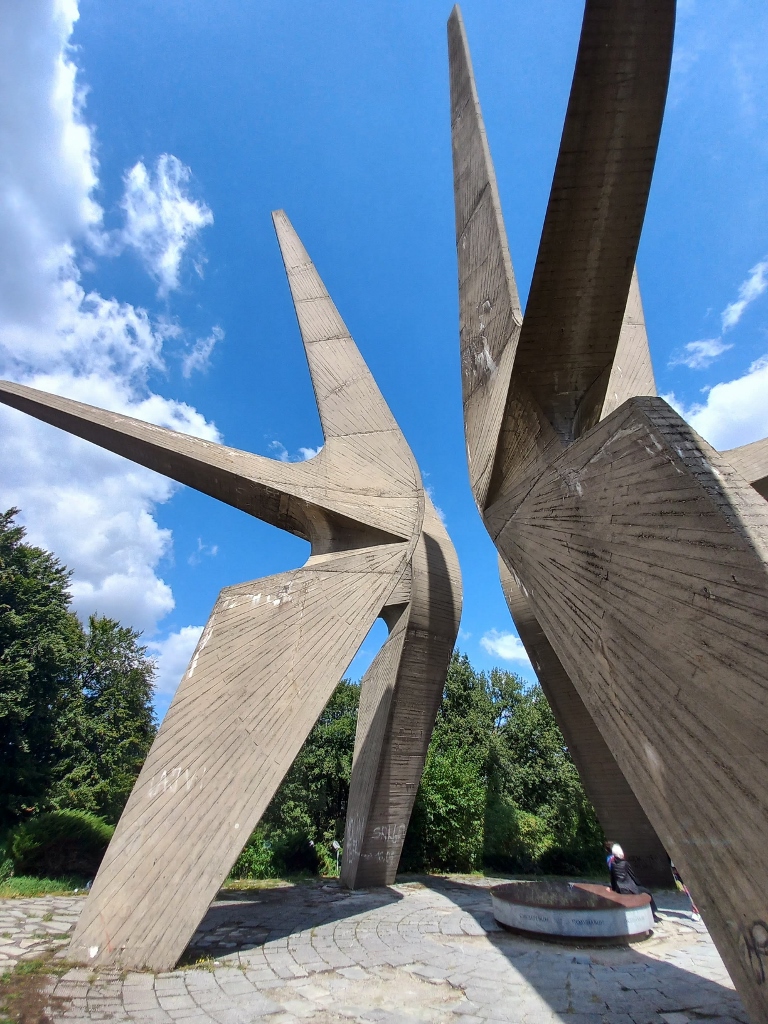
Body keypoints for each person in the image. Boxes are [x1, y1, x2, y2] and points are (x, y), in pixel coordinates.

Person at [609, 844, 661, 922]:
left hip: (619, 889)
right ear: (621, 854)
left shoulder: (612, 864)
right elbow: (633, 876)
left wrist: (614, 889)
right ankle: (653, 914)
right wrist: (639, 885)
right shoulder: (625, 863)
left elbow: (612, 878)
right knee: (647, 892)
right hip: (629, 888)